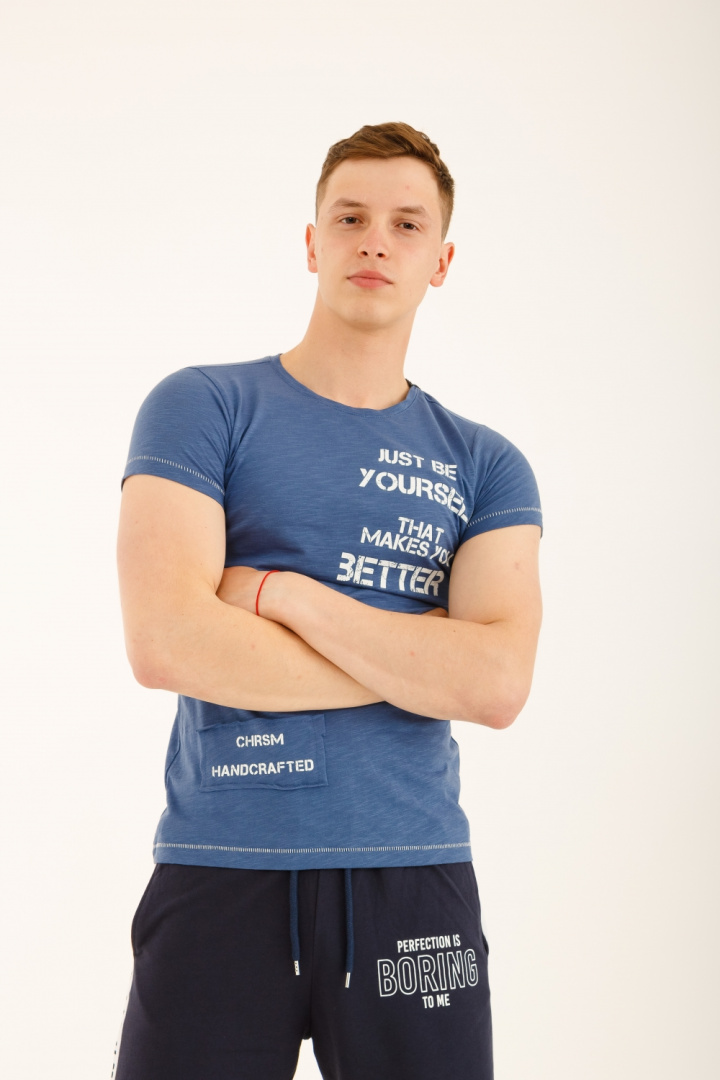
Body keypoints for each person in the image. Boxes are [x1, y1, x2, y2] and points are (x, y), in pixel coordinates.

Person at [113, 121, 543, 1080]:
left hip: (413, 880)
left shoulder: (486, 464)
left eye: (406, 224)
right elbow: (167, 641)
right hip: (220, 869)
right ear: (312, 243)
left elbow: (496, 684)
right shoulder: (204, 406)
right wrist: (420, 657)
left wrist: (284, 596)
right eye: (349, 218)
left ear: (442, 261)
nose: (374, 241)